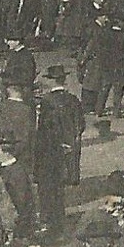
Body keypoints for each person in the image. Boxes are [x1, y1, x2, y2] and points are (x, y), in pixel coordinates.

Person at [33, 64, 85, 236]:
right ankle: (59, 217)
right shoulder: (73, 99)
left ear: (51, 80)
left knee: (48, 186)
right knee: (60, 185)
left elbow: (44, 130)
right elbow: (81, 125)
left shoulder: (47, 102)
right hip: (69, 149)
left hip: (50, 150)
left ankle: (50, 220)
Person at [0, 136, 37, 240]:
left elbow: (21, 202)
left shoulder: (16, 172)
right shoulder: (9, 168)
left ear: (0, 150)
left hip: (18, 227)